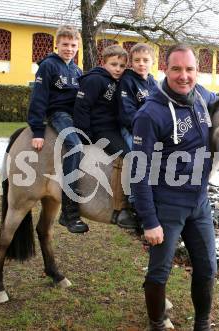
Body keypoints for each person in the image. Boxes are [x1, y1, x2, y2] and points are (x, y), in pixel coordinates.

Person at [131, 44, 217, 331]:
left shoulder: (203, 98)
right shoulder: (150, 114)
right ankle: (156, 324)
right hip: (167, 206)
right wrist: (150, 220)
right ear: (165, 70)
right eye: (176, 69)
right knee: (159, 273)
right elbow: (138, 172)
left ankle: (202, 325)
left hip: (200, 203)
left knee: (207, 270)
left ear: (197, 71)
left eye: (189, 69)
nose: (184, 76)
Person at [27, 25, 89, 234]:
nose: (69, 49)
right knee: (76, 147)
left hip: (75, 116)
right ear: (57, 45)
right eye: (65, 44)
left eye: (73, 45)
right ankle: (69, 212)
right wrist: (37, 130)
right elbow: (38, 98)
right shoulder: (48, 66)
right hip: (58, 115)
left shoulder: (77, 70)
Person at [73, 44, 138, 229]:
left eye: (122, 65)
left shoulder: (117, 81)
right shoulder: (94, 80)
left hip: (114, 128)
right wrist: (85, 136)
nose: (118, 69)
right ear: (104, 63)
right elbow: (82, 107)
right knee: (127, 157)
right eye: (114, 64)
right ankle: (121, 208)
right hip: (101, 129)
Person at [119, 43, 157, 149]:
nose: (141, 64)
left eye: (145, 60)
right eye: (137, 60)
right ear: (131, 62)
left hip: (152, 129)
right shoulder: (127, 81)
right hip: (132, 129)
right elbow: (127, 112)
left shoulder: (154, 84)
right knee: (139, 156)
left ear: (152, 62)